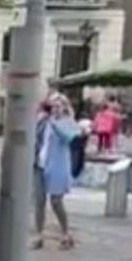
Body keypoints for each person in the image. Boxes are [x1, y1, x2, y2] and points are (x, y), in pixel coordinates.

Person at [32, 93, 82, 251]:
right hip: (40, 165)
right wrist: (40, 111)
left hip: (58, 167)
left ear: (64, 107)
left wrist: (54, 122)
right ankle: (39, 235)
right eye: (52, 106)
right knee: (39, 201)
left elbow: (68, 137)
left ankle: (66, 233)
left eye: (58, 106)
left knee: (56, 201)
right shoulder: (44, 121)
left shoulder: (67, 123)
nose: (55, 109)